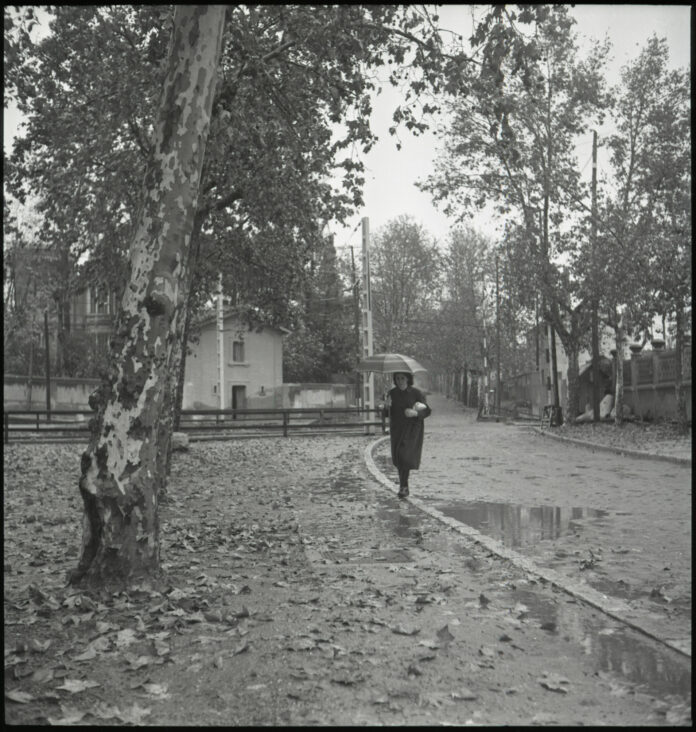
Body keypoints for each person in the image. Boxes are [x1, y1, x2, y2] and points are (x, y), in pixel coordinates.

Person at [384, 372, 431, 498]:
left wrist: (415, 414)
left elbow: (427, 411)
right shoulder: (392, 394)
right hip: (397, 429)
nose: (400, 381)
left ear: (408, 379)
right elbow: (386, 414)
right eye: (397, 378)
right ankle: (403, 486)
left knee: (405, 456)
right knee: (399, 458)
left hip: (412, 430)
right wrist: (386, 406)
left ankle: (404, 486)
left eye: (402, 378)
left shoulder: (416, 393)